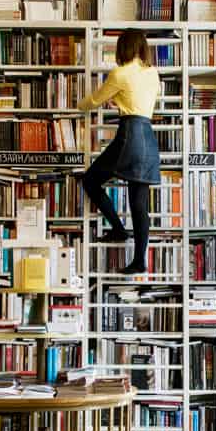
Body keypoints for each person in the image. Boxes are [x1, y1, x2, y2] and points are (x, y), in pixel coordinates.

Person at [77, 29, 161, 274]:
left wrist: (78, 105)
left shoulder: (119, 73)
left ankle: (118, 228)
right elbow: (143, 99)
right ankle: (139, 261)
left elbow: (93, 101)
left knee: (91, 180)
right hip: (147, 135)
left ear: (123, 47)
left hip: (129, 136)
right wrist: (121, 101)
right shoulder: (152, 73)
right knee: (139, 203)